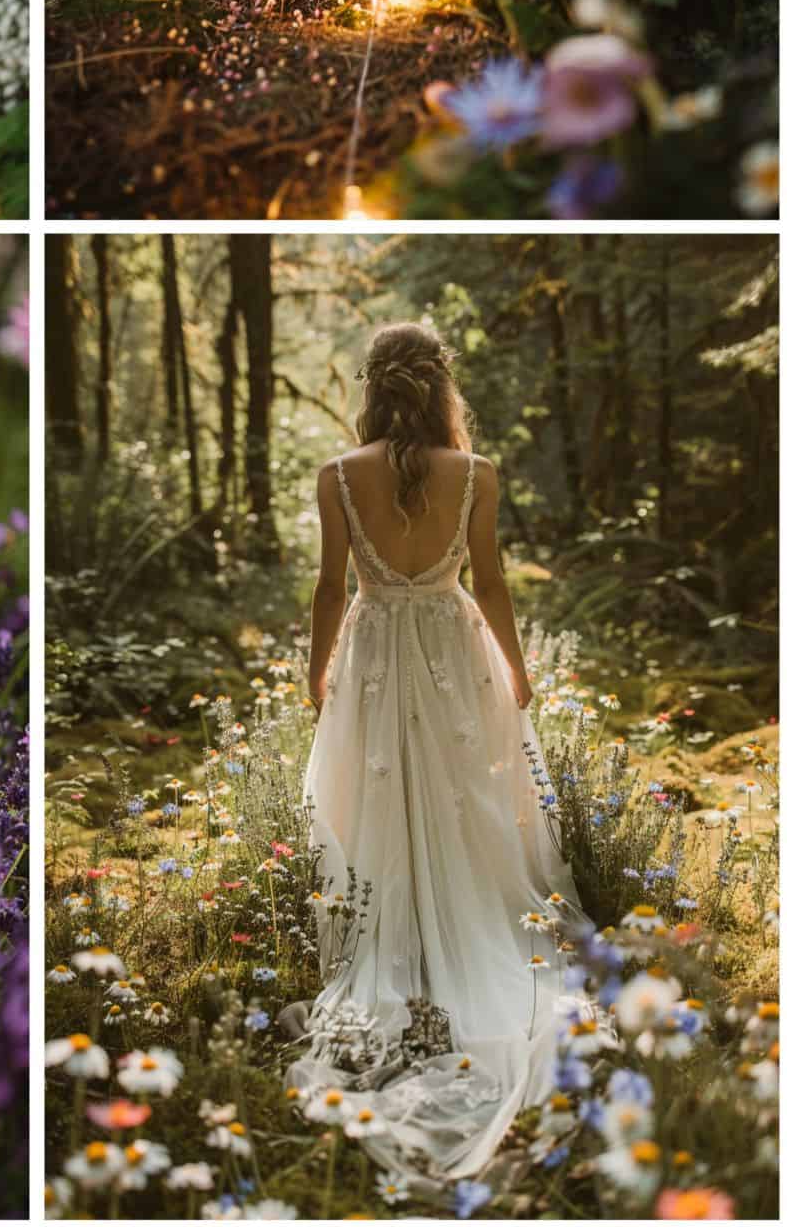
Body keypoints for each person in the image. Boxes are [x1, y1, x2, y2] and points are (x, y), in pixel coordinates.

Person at [289, 321, 595, 1189]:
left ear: (372, 389)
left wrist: (318, 674)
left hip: (377, 650)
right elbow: (490, 583)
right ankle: (460, 923)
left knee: (382, 795)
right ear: (440, 386)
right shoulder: (478, 475)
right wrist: (517, 670)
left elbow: (330, 588)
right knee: (468, 796)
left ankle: (400, 930)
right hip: (454, 645)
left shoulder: (339, 476)